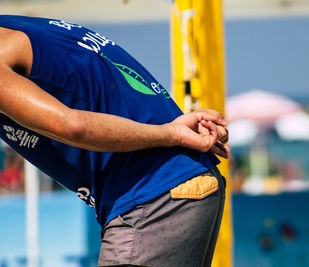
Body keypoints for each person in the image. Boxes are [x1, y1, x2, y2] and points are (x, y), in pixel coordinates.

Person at [0, 15, 229, 267]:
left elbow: (74, 126)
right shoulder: (20, 27)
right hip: (179, 182)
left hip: (151, 195)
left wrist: (172, 133)